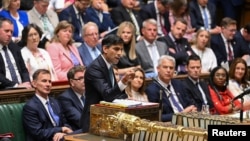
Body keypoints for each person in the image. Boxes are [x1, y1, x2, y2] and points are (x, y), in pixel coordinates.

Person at [80, 34, 135, 132]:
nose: (120, 53)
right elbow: (107, 95)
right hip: (94, 121)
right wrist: (124, 81)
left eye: (121, 50)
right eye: (116, 49)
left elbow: (117, 94)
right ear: (105, 49)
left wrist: (128, 99)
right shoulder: (95, 68)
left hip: (107, 119)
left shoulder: (109, 66)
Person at [22, 69, 73, 141]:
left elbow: (65, 122)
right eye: (44, 81)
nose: (48, 84)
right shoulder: (30, 107)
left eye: (50, 81)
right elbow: (37, 133)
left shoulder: (55, 102)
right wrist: (61, 129)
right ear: (34, 84)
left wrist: (63, 132)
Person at [145, 55, 197, 122]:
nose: (168, 70)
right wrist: (181, 115)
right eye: (165, 67)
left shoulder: (179, 84)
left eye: (171, 68)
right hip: (170, 125)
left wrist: (192, 109)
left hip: (188, 120)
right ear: (158, 69)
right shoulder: (152, 90)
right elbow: (156, 117)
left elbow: (190, 103)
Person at [0, 18, 31, 89]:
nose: (9, 34)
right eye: (6, 31)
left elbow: (24, 70)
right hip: (5, 90)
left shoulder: (14, 47)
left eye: (11, 32)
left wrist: (26, 83)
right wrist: (16, 86)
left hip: (22, 88)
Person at [57, 66, 86, 131]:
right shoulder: (65, 98)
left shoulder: (89, 94)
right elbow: (80, 121)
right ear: (72, 82)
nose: (84, 81)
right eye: (80, 78)